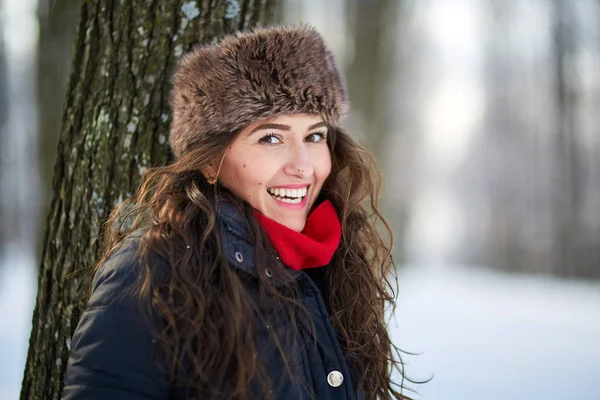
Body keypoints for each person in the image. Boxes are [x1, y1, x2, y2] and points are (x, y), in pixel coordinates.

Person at [61, 25, 410, 400]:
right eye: (271, 138)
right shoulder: (152, 271)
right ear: (211, 161)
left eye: (314, 136)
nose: (304, 166)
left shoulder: (334, 267)